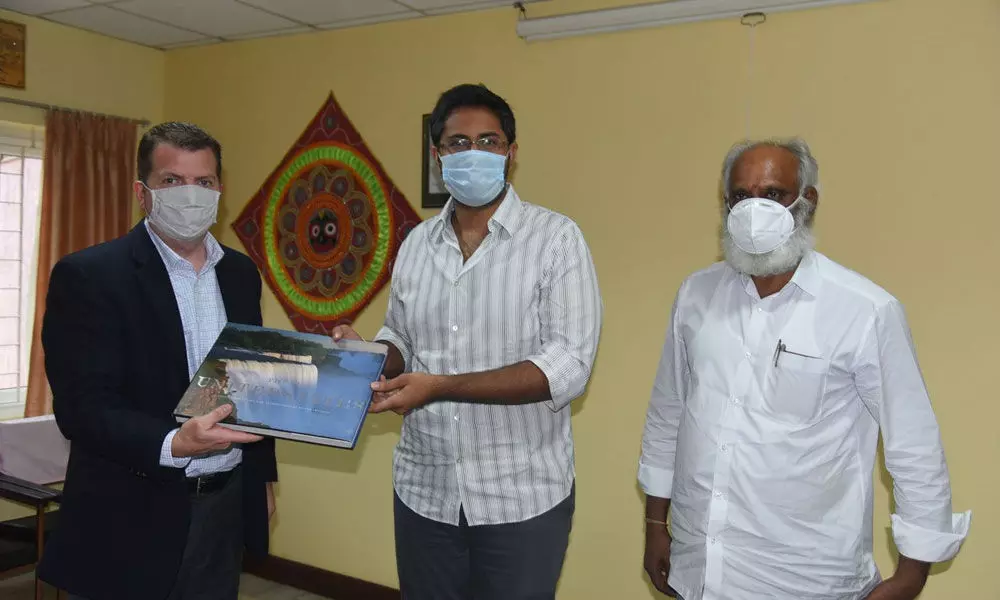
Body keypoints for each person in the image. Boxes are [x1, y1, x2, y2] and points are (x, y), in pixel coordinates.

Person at [638, 138, 970, 600]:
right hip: (703, 570)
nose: (755, 209)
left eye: (772, 194)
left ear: (806, 201)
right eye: (741, 196)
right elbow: (668, 412)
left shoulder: (864, 310)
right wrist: (657, 524)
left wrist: (911, 576)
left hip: (806, 580)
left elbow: (913, 445)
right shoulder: (696, 296)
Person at [333, 83, 602, 600]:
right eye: (457, 143)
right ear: (438, 157)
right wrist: (368, 357)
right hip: (424, 492)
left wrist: (438, 387)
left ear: (511, 153)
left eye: (489, 141)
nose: (473, 153)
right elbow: (401, 336)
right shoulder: (416, 244)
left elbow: (565, 367)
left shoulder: (557, 240)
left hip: (521, 499)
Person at [39, 122, 278, 600]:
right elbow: (81, 408)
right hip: (130, 507)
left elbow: (249, 379)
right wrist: (173, 442)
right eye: (172, 180)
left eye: (203, 182)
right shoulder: (89, 275)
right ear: (142, 193)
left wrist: (263, 476)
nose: (190, 194)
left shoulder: (239, 272)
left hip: (224, 503)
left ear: (219, 191)